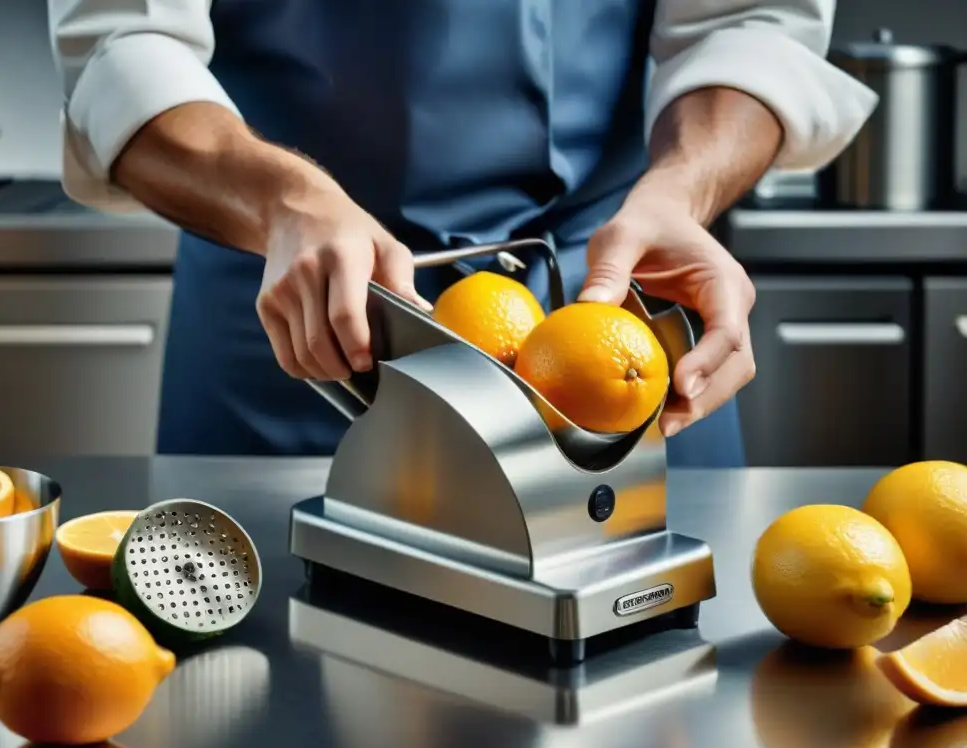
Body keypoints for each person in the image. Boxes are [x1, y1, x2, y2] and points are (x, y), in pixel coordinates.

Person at [47, 0, 874, 466]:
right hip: (291, 322)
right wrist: (281, 199)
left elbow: (749, 19)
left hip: (612, 321)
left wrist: (684, 190)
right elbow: (123, 41)